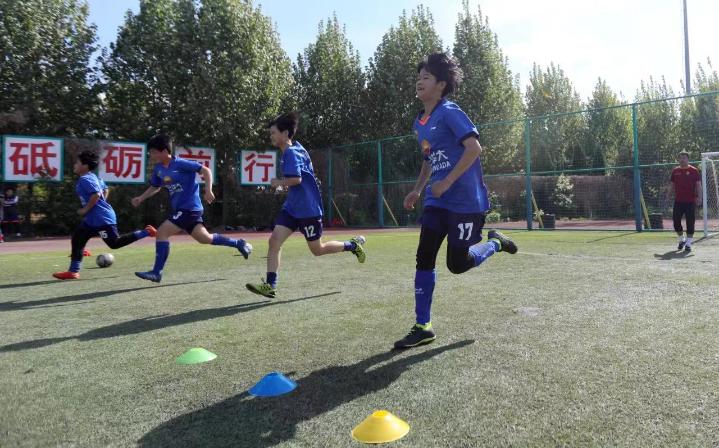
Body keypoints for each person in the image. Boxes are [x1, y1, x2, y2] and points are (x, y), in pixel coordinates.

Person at [393, 52, 518, 350]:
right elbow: (428, 159)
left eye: (426, 77)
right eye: (418, 76)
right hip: (437, 202)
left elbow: (474, 148)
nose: (419, 81)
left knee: (457, 264)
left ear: (441, 85)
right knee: (424, 255)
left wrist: (447, 182)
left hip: (465, 203)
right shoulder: (419, 123)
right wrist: (418, 190)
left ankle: (495, 243)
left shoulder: (450, 112)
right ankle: (423, 326)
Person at [245, 113, 366, 298]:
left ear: (285, 133)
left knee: (318, 250)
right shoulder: (296, 148)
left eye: (273, 133)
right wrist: (284, 186)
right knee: (274, 241)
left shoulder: (291, 153)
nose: (271, 136)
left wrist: (278, 183)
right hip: (292, 208)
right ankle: (270, 285)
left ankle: (352, 245)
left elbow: (297, 179)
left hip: (308, 210)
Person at [132, 134, 252, 283]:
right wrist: (141, 198)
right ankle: (239, 243)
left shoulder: (180, 163)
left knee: (162, 233)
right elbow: (155, 187)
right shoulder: (158, 169)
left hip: (190, 209)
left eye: (153, 152)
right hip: (182, 210)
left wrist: (208, 190)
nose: (151, 155)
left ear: (164, 151)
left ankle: (157, 272)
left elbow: (206, 170)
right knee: (205, 238)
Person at [52, 151, 157, 280]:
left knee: (114, 243)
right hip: (93, 219)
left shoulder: (85, 179)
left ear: (85, 166)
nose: (75, 165)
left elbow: (96, 194)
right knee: (78, 238)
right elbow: (105, 189)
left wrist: (86, 209)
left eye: (77, 163)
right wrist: (100, 204)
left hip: (101, 219)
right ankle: (73, 272)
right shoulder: (93, 177)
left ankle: (146, 232)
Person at [670, 151, 702, 252]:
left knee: (690, 223)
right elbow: (672, 185)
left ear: (688, 159)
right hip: (678, 201)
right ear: (678, 159)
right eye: (680, 158)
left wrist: (699, 197)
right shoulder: (675, 171)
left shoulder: (694, 170)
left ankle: (688, 244)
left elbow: (698, 185)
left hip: (690, 201)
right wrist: (668, 195)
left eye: (684, 157)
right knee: (676, 221)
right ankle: (682, 240)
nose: (682, 159)